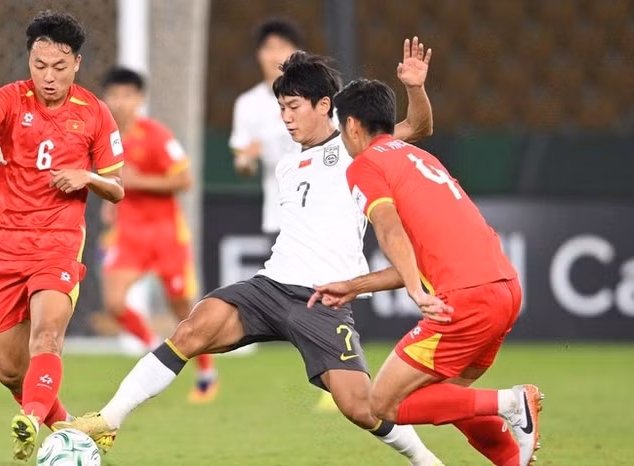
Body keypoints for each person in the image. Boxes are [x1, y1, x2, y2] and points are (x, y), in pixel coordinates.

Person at [58, 41, 443, 465]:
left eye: (294, 107)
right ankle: (108, 419)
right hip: (270, 286)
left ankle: (425, 460)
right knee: (191, 329)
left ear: (324, 105)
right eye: (282, 108)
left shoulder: (357, 149)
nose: (286, 117)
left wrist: (415, 88)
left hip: (324, 298)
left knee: (360, 407)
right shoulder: (287, 165)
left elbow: (417, 127)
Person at [309, 78, 543, 465]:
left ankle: (512, 402)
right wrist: (355, 285)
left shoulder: (365, 165)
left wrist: (416, 293)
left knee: (383, 403)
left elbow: (389, 229)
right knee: (446, 397)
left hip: (465, 299)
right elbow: (420, 257)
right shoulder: (421, 158)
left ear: (351, 124)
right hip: (504, 291)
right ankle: (512, 459)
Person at [0, 11, 125, 461]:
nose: (48, 77)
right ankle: (71, 429)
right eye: (39, 65)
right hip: (7, 245)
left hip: (59, 242)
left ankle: (30, 421)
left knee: (47, 337)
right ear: (29, 60)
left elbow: (116, 188)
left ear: (77, 63)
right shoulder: (9, 99)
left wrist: (87, 176)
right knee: (10, 371)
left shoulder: (95, 113)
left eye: (59, 66)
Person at [93, 66, 217, 403]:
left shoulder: (157, 135)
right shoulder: (103, 139)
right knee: (114, 301)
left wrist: (139, 181)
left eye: (127, 95)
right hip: (129, 235)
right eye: (114, 95)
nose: (120, 102)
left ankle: (206, 372)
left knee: (183, 309)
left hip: (166, 235)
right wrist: (110, 202)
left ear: (140, 99)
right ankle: (153, 349)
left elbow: (185, 179)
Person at [230, 18, 302, 235]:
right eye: (269, 48)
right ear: (259, 54)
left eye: (282, 47)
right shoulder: (248, 104)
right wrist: (247, 159)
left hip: (323, 209)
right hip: (279, 212)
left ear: (297, 52)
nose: (275, 55)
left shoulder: (319, 96)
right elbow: (243, 163)